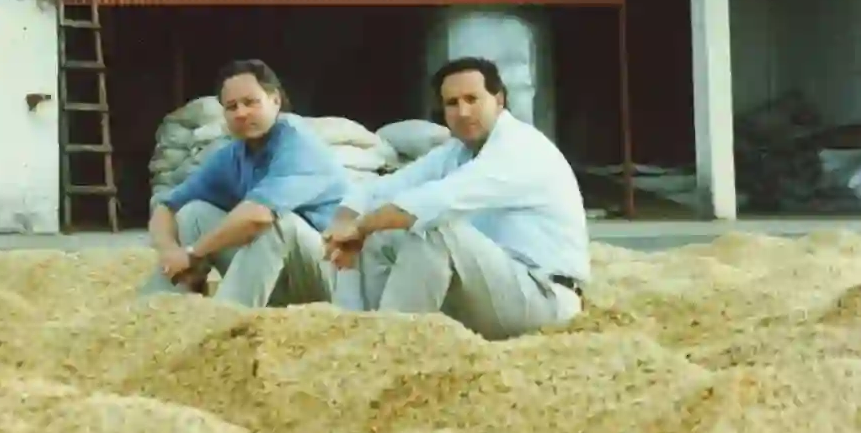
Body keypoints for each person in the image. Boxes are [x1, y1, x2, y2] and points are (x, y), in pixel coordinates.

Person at [322, 56, 590, 340]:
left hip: (544, 298)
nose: (463, 112)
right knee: (382, 235)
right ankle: (360, 332)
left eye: (472, 99)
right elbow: (381, 189)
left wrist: (361, 226)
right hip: (490, 290)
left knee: (434, 230)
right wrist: (345, 223)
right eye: (452, 103)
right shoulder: (456, 151)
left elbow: (433, 203)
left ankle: (391, 344)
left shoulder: (520, 147)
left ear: (499, 100)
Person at [140, 59, 350, 307]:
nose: (241, 113)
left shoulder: (297, 143)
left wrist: (193, 253)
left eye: (250, 102)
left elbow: (258, 216)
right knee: (193, 213)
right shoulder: (233, 154)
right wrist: (169, 251)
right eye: (231, 107)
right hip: (275, 273)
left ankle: (224, 319)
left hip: (331, 274)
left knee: (277, 223)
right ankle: (161, 308)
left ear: (275, 101)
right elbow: (166, 207)